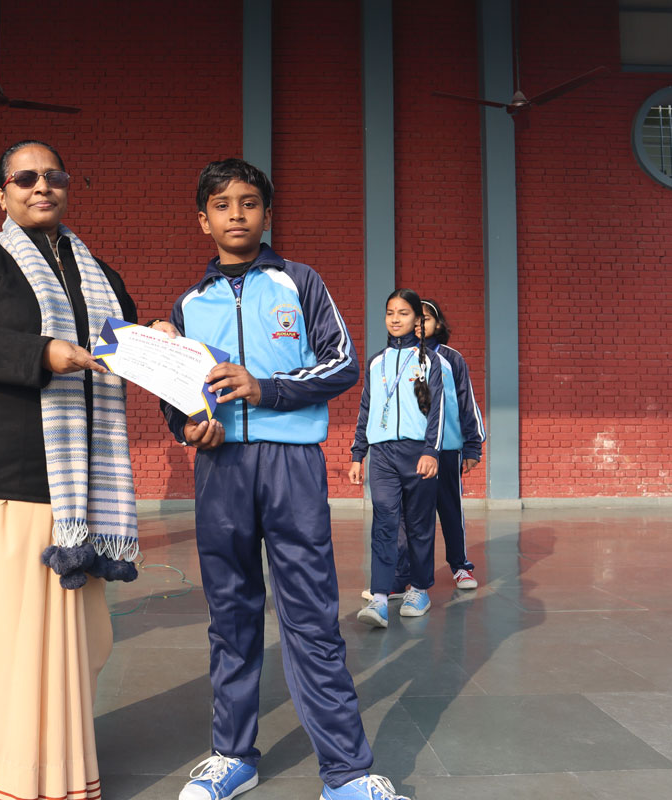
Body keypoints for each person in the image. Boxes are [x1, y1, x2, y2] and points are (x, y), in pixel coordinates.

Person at [161, 158, 410, 800]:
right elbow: (175, 395)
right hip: (220, 471)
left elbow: (342, 363)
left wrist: (263, 387)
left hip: (291, 466)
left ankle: (346, 772)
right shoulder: (187, 305)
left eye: (249, 203)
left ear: (267, 214)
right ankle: (231, 755)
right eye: (222, 205)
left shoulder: (300, 282)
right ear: (203, 220)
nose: (236, 215)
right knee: (231, 613)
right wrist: (188, 426)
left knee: (310, 615)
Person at [0, 140, 142, 800]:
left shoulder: (98, 273)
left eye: (54, 176)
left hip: (73, 487)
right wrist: (42, 353)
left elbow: (120, 347)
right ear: (3, 193)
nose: (41, 186)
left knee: (74, 641)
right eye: (25, 177)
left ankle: (55, 767)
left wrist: (151, 339)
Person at [367, 298, 486, 599]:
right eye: (415, 318)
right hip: (413, 450)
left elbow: (466, 401)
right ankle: (401, 576)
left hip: (445, 449)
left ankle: (460, 564)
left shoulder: (450, 358)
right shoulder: (394, 358)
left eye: (426, 319)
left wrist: (473, 445)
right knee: (407, 518)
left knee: (449, 508)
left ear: (439, 324)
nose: (420, 324)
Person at [349, 290, 445, 626]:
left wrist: (431, 451)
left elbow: (438, 412)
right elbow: (366, 408)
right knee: (384, 523)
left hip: (418, 454)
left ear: (417, 320)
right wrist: (358, 454)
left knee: (419, 525)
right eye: (390, 312)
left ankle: (419, 589)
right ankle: (379, 597)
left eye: (403, 313)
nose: (395, 319)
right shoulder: (377, 361)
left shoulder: (430, 361)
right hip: (382, 456)